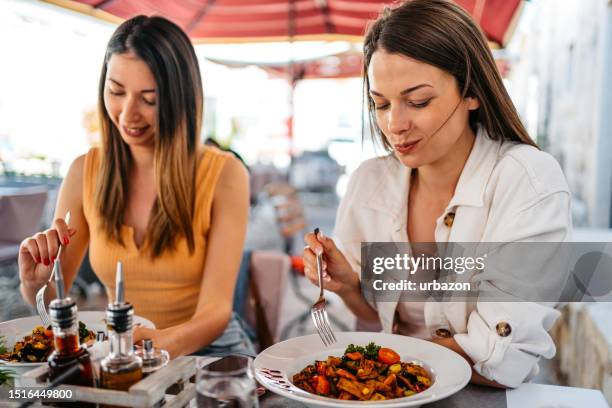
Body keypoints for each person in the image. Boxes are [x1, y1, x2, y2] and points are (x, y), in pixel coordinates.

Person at [303, 0, 571, 389]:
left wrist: (389, 365)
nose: (394, 124)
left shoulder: (528, 182)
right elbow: (376, 320)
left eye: (418, 101)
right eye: (380, 104)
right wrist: (348, 286)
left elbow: (503, 362)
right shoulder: (369, 183)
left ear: (472, 92)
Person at [18, 16, 254, 358]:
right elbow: (54, 300)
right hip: (124, 349)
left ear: (179, 99)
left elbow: (215, 313)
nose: (128, 114)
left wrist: (155, 347)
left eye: (149, 99)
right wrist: (35, 283)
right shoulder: (85, 171)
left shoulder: (225, 173)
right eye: (116, 91)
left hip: (208, 349)